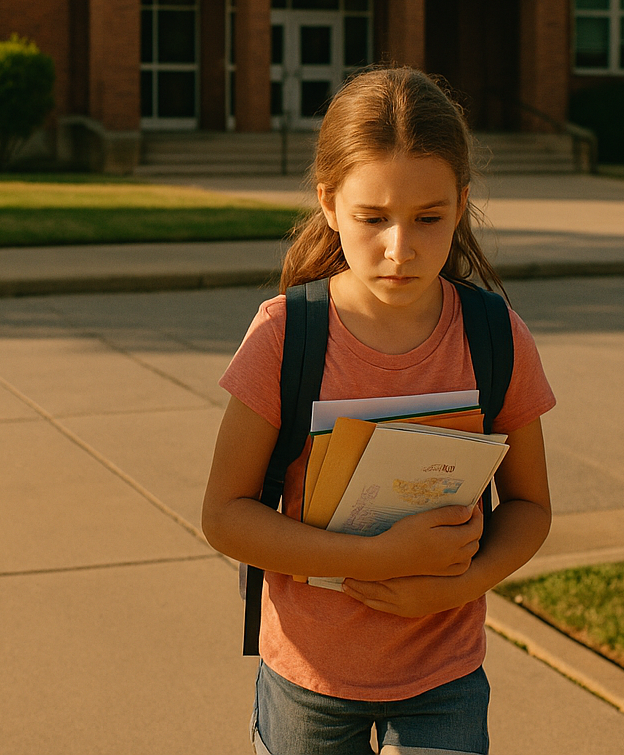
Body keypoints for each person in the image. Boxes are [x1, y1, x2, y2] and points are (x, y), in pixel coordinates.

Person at [201, 67, 555, 755]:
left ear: (461, 203)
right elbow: (226, 515)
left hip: (445, 675)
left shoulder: (494, 337)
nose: (401, 248)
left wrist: (462, 585)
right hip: (309, 676)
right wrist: (377, 557)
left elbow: (530, 508)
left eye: (429, 218)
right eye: (373, 219)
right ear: (330, 204)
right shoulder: (285, 337)